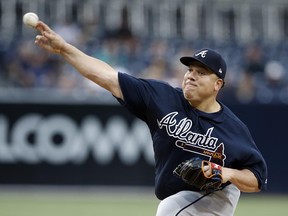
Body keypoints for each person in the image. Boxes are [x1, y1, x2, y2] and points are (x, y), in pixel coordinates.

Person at [34, 21, 268, 216]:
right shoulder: (162, 97)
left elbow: (256, 179)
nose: (191, 76)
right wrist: (64, 48)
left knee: (169, 210)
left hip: (216, 195)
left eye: (201, 72)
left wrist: (226, 173)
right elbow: (105, 76)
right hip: (180, 194)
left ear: (218, 84)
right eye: (190, 70)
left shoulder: (232, 127)